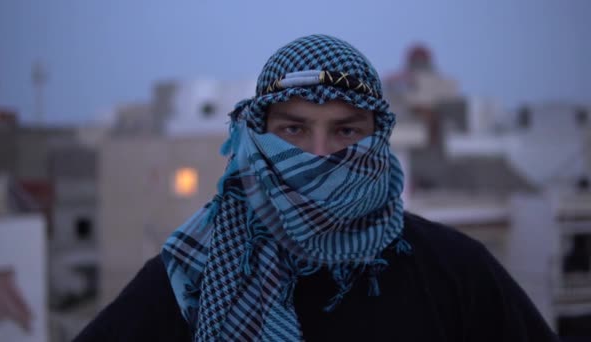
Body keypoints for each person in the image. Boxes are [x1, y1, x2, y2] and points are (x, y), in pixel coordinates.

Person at [76, 34, 559, 341]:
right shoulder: (193, 273)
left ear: (377, 139)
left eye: (346, 131)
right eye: (294, 130)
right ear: (258, 139)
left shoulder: (455, 271)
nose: (321, 155)